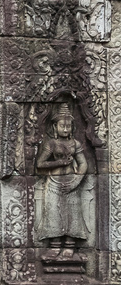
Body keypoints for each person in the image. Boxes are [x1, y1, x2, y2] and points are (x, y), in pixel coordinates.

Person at [34, 102, 89, 260]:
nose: (66, 129)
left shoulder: (75, 144)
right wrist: (60, 163)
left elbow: (83, 163)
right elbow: (40, 164)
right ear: (54, 127)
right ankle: (55, 246)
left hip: (72, 184)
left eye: (68, 126)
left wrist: (77, 181)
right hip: (53, 184)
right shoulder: (51, 143)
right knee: (53, 214)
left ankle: (69, 246)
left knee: (73, 215)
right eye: (62, 126)